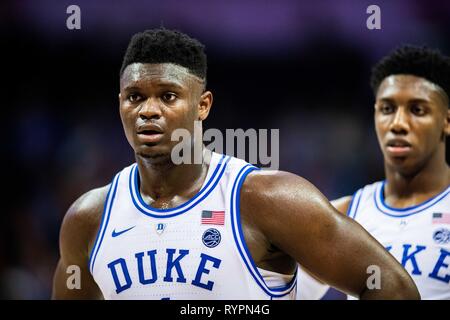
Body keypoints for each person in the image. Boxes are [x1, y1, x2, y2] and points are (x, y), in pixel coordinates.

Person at [51, 29, 419, 300]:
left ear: (203, 106)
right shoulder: (88, 219)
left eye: (168, 96)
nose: (148, 111)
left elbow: (392, 288)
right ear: (120, 105)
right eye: (135, 97)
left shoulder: (268, 198)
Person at [297, 45, 450, 300]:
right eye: (387, 109)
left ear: (446, 121)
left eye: (417, 110)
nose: (398, 124)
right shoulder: (344, 213)